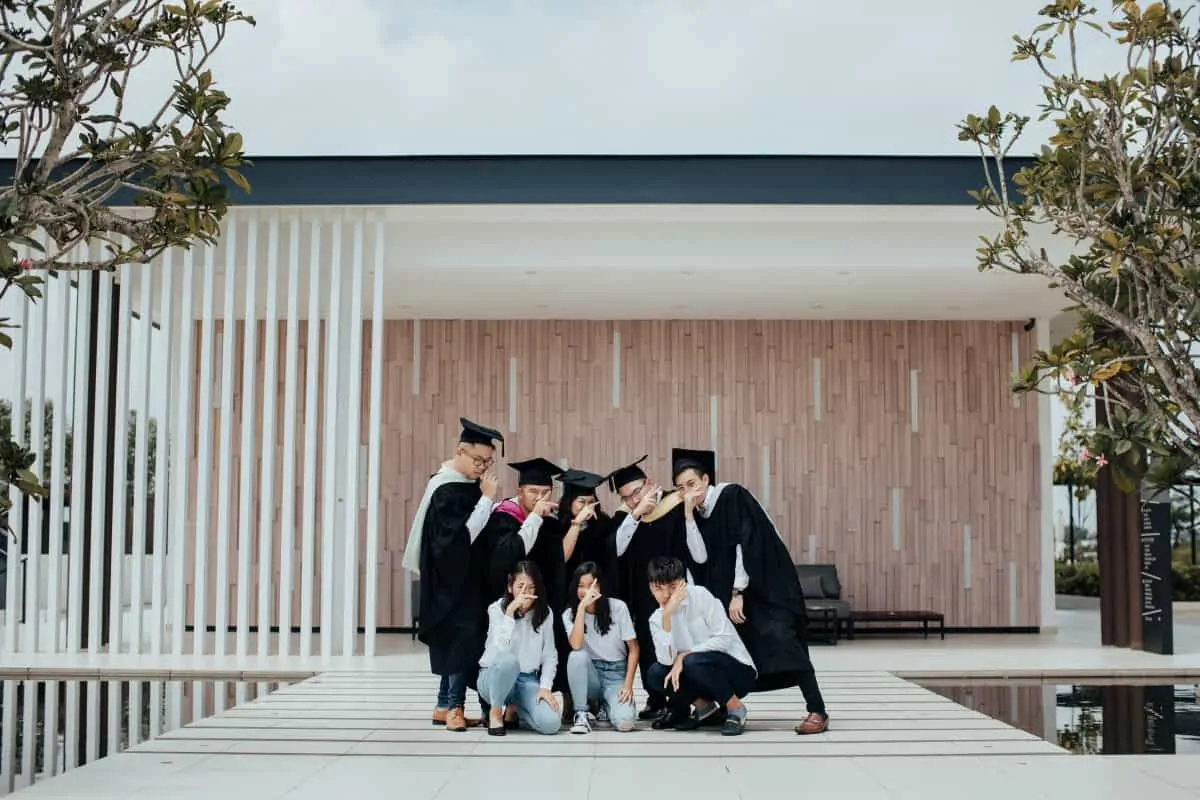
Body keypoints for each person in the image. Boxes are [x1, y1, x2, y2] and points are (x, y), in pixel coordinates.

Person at [672, 447, 830, 735]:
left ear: (706, 480)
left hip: (764, 590)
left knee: (785, 644)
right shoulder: (698, 514)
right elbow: (700, 557)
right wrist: (688, 516)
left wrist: (738, 591)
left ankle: (817, 710)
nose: (688, 492)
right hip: (736, 596)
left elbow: (749, 544)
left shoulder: (732, 496)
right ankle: (725, 706)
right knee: (741, 651)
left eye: (692, 484)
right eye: (681, 488)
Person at [401, 417, 504, 732]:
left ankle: (443, 705)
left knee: (458, 637)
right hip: (453, 581)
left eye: (488, 462)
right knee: (463, 638)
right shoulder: (447, 489)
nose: (482, 467)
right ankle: (455, 709)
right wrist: (487, 499)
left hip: (462, 578)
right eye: (477, 460)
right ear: (459, 451)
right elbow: (460, 540)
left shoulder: (461, 484)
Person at [606, 455, 709, 721]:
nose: (634, 500)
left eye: (637, 492)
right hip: (643, 593)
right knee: (648, 646)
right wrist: (636, 515)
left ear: (649, 483)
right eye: (627, 497)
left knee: (679, 644)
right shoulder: (626, 516)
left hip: (677, 590)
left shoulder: (675, 502)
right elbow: (615, 550)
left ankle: (684, 701)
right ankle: (655, 698)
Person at [645, 556, 756, 736]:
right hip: (699, 675)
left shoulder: (701, 596)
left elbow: (724, 638)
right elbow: (665, 660)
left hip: (737, 672)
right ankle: (707, 710)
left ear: (683, 583)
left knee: (692, 661)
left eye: (672, 587)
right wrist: (666, 616)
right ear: (651, 588)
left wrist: (684, 655)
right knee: (656, 673)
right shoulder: (657, 618)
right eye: (658, 588)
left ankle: (736, 709)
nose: (666, 595)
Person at [477, 560, 563, 737]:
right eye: (520, 586)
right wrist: (510, 612)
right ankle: (495, 712)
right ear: (510, 587)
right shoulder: (496, 609)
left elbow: (549, 654)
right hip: (493, 678)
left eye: (531, 587)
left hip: (526, 680)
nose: (526, 592)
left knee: (551, 723)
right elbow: (500, 648)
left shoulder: (545, 613)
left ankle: (515, 708)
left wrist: (545, 687)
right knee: (508, 660)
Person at [562, 561, 638, 734]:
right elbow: (576, 644)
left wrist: (628, 685)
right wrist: (581, 608)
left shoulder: (618, 607)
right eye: (581, 586)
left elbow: (634, 649)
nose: (586, 591)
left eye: (591, 585)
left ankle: (607, 706)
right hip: (590, 674)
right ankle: (581, 713)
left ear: (600, 586)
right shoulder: (569, 614)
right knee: (576, 656)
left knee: (625, 722)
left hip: (615, 673)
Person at [557, 468, 618, 592]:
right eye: (581, 501)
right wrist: (577, 523)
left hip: (596, 589)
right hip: (566, 590)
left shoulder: (604, 524)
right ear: (569, 503)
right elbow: (560, 558)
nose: (587, 507)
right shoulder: (556, 524)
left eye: (591, 502)